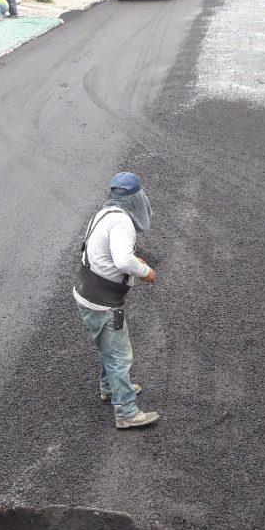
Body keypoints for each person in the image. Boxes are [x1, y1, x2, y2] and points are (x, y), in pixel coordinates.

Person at [73, 172, 161, 430]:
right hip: (102, 301)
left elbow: (107, 253)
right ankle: (126, 411)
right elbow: (122, 260)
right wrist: (146, 272)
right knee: (119, 356)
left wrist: (134, 263)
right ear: (135, 199)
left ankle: (109, 387)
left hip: (86, 291)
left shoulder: (105, 213)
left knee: (107, 345)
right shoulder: (122, 222)